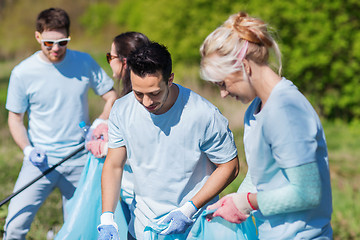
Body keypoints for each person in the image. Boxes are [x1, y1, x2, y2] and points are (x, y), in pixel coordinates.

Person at [200, 11, 333, 239]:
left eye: (223, 83)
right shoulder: (255, 110)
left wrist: (247, 202)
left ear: (243, 65)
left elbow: (308, 193)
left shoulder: (286, 111)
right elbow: (260, 175)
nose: (222, 94)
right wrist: (232, 202)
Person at [97, 42, 240, 240]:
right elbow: (114, 165)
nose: (147, 102)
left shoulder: (203, 114)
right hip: (143, 228)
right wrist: (107, 217)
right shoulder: (122, 109)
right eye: (139, 93)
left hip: (194, 227)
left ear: (170, 79)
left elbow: (229, 166)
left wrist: (189, 210)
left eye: (154, 93)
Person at [4, 7, 117, 239]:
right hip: (40, 162)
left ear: (69, 37)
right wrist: (28, 150)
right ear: (37, 37)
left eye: (62, 42)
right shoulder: (22, 72)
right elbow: (15, 119)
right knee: (14, 226)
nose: (56, 49)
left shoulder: (84, 62)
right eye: (48, 43)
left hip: (79, 159)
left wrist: (99, 122)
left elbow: (112, 96)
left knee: (80, 229)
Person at [54, 32, 151, 239]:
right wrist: (103, 126)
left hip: (141, 195)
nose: (109, 62)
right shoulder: (130, 96)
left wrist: (106, 148)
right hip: (127, 190)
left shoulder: (141, 98)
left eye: (111, 57)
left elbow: (144, 147)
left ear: (124, 62)